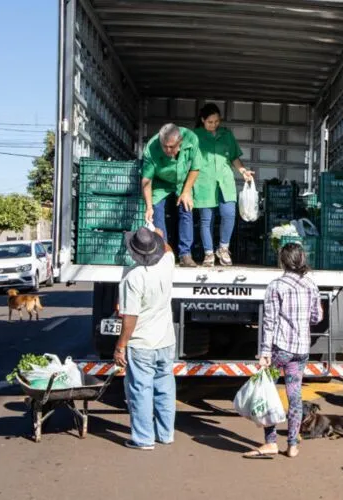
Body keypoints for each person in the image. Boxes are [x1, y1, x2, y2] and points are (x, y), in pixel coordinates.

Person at [245, 243, 323, 459]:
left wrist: (265, 352)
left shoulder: (276, 286)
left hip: (280, 348)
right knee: (294, 394)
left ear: (283, 261)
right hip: (301, 349)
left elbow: (269, 323)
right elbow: (317, 317)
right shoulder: (311, 285)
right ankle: (292, 445)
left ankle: (270, 441)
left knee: (267, 391)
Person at [114, 227, 177, 450]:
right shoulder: (167, 265)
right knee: (165, 386)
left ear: (134, 253)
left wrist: (121, 345)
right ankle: (166, 433)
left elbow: (130, 317)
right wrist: (159, 235)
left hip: (142, 343)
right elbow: (169, 251)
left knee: (141, 390)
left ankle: (143, 438)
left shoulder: (132, 277)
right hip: (166, 340)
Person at [193, 104, 253, 266]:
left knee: (229, 214)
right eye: (210, 122)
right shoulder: (194, 136)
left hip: (225, 181)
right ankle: (208, 253)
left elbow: (234, 157)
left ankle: (223, 248)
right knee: (206, 220)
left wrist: (243, 171)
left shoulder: (227, 135)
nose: (214, 125)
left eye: (216, 121)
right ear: (202, 120)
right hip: (204, 182)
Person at [141, 123, 206, 267]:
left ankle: (185, 254)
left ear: (180, 142)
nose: (167, 150)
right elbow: (146, 180)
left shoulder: (191, 139)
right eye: (165, 146)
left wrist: (186, 191)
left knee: (186, 208)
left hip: (182, 181)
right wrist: (149, 206)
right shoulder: (151, 148)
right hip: (160, 183)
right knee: (156, 212)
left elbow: (195, 168)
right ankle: (163, 252)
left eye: (171, 147)